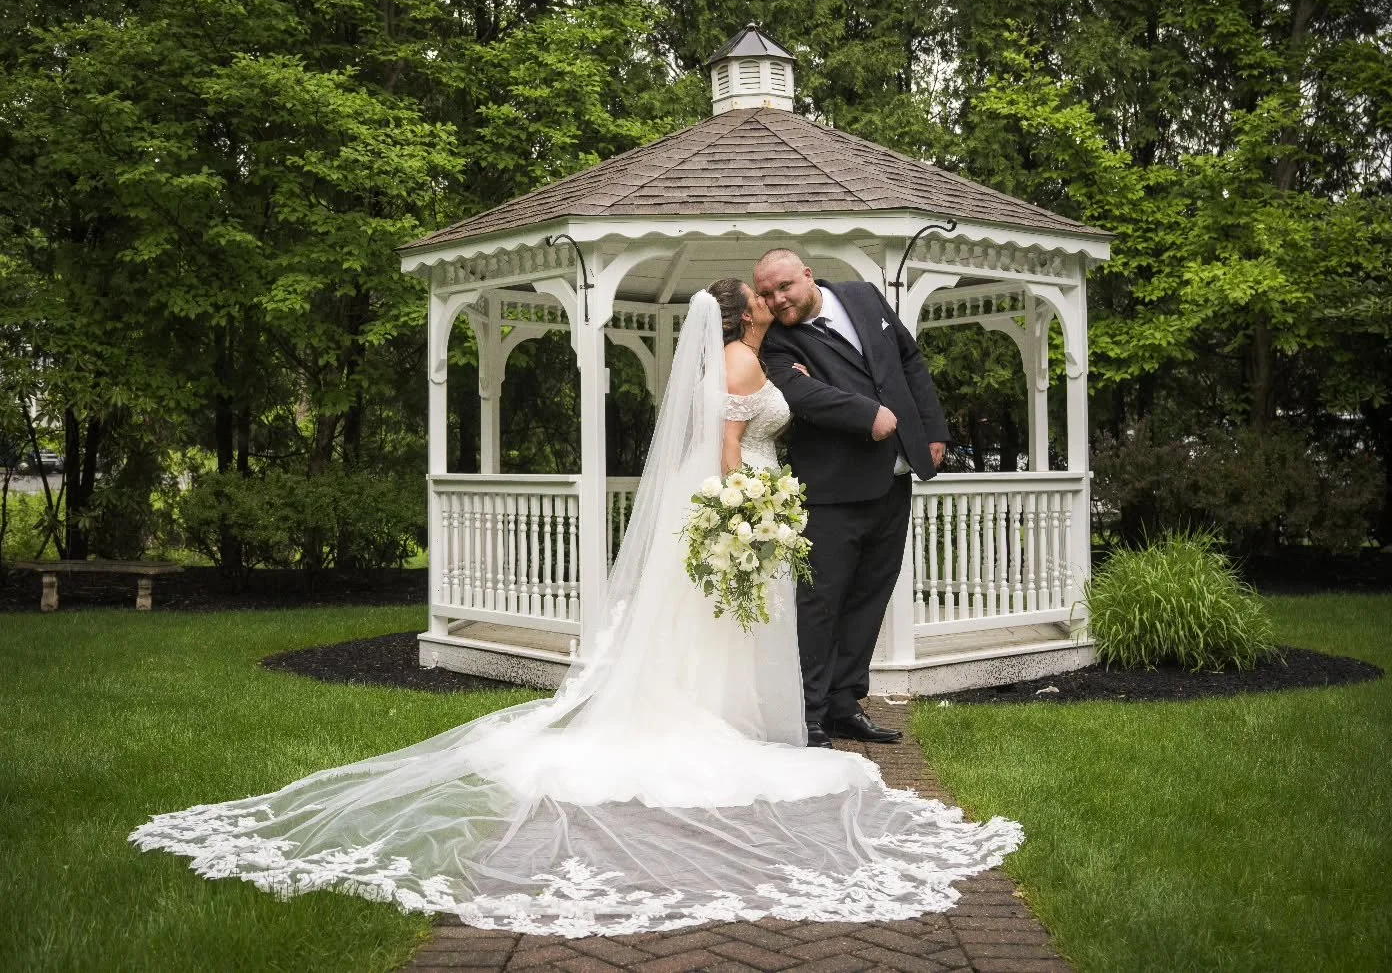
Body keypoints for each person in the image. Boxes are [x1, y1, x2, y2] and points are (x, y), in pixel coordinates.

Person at [130, 283, 1020, 938]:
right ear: (740, 313)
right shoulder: (750, 358)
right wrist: (740, 506)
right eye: (755, 295)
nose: (763, 300)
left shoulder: (749, 352)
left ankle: (741, 712)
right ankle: (740, 721)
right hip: (734, 496)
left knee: (720, 627)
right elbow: (728, 442)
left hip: (736, 498)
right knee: (734, 625)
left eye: (766, 291)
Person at [754, 249, 950, 750]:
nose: (778, 300)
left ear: (807, 276)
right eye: (768, 294)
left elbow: (908, 359)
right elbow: (802, 398)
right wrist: (868, 414)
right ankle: (810, 713)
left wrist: (933, 428)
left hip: (896, 477)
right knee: (819, 605)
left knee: (869, 597)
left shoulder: (863, 297)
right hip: (830, 492)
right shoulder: (773, 343)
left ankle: (845, 705)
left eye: (784, 288)